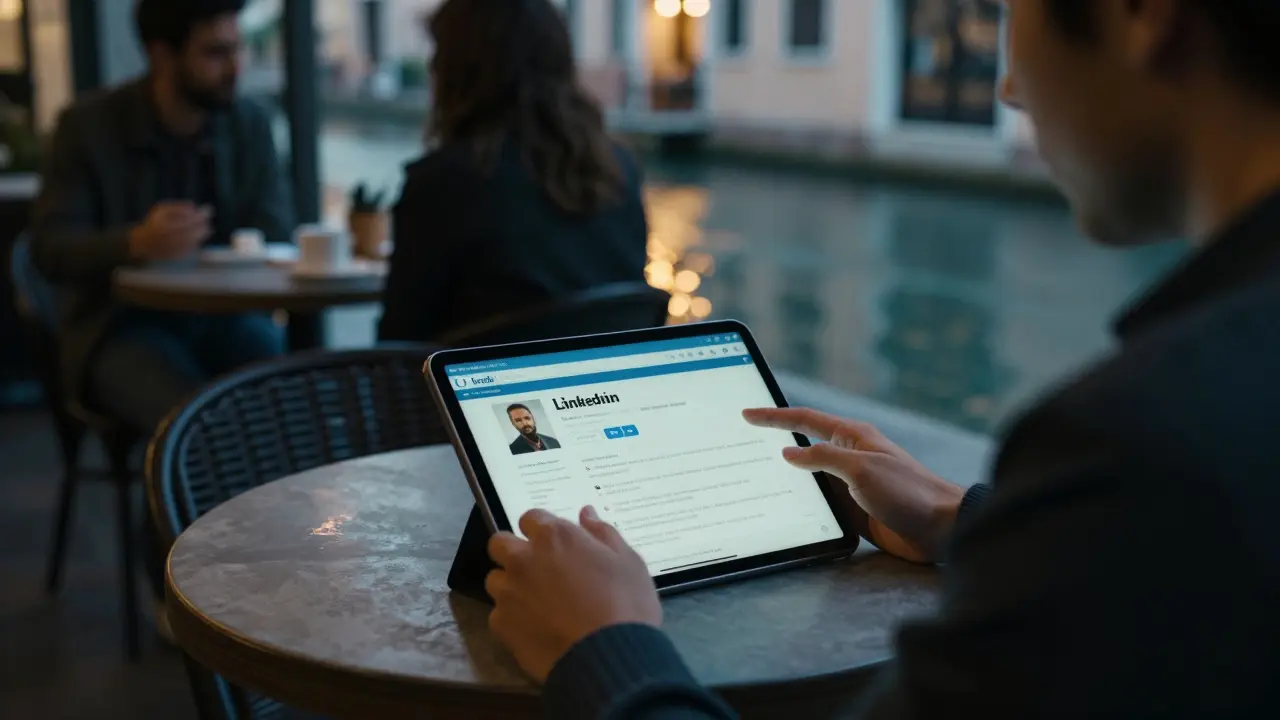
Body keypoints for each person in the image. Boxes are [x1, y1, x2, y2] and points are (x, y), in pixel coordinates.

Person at [481, 1, 1280, 717]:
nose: (1008, 88)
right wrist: (964, 520)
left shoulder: (1144, 440)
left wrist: (604, 650)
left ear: (1143, 14)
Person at [30, 0, 291, 619]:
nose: (235, 68)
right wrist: (132, 243)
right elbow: (46, 248)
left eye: (237, 48)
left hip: (223, 321)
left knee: (279, 389)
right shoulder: (88, 127)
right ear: (161, 55)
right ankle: (183, 591)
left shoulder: (246, 123)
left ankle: (262, 574)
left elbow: (277, 227)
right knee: (192, 413)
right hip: (117, 329)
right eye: (215, 52)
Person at [376, 0, 648, 344]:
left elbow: (400, 341)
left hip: (482, 396)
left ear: (457, 70)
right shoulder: (619, 169)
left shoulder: (443, 184)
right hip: (610, 389)